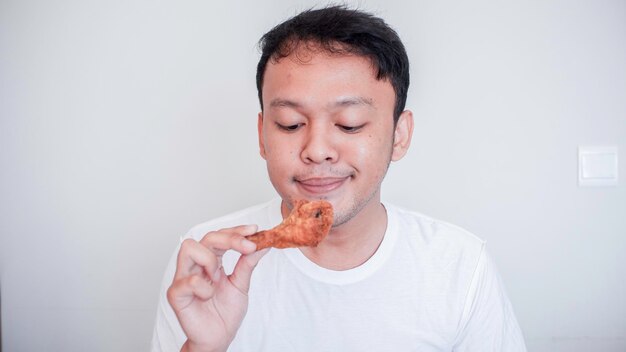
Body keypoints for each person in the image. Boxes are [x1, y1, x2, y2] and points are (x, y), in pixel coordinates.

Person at [151, 6, 527, 352]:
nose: (317, 150)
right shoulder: (207, 260)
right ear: (263, 135)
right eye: (291, 124)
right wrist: (203, 347)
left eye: (349, 124)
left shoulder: (459, 265)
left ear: (400, 135)